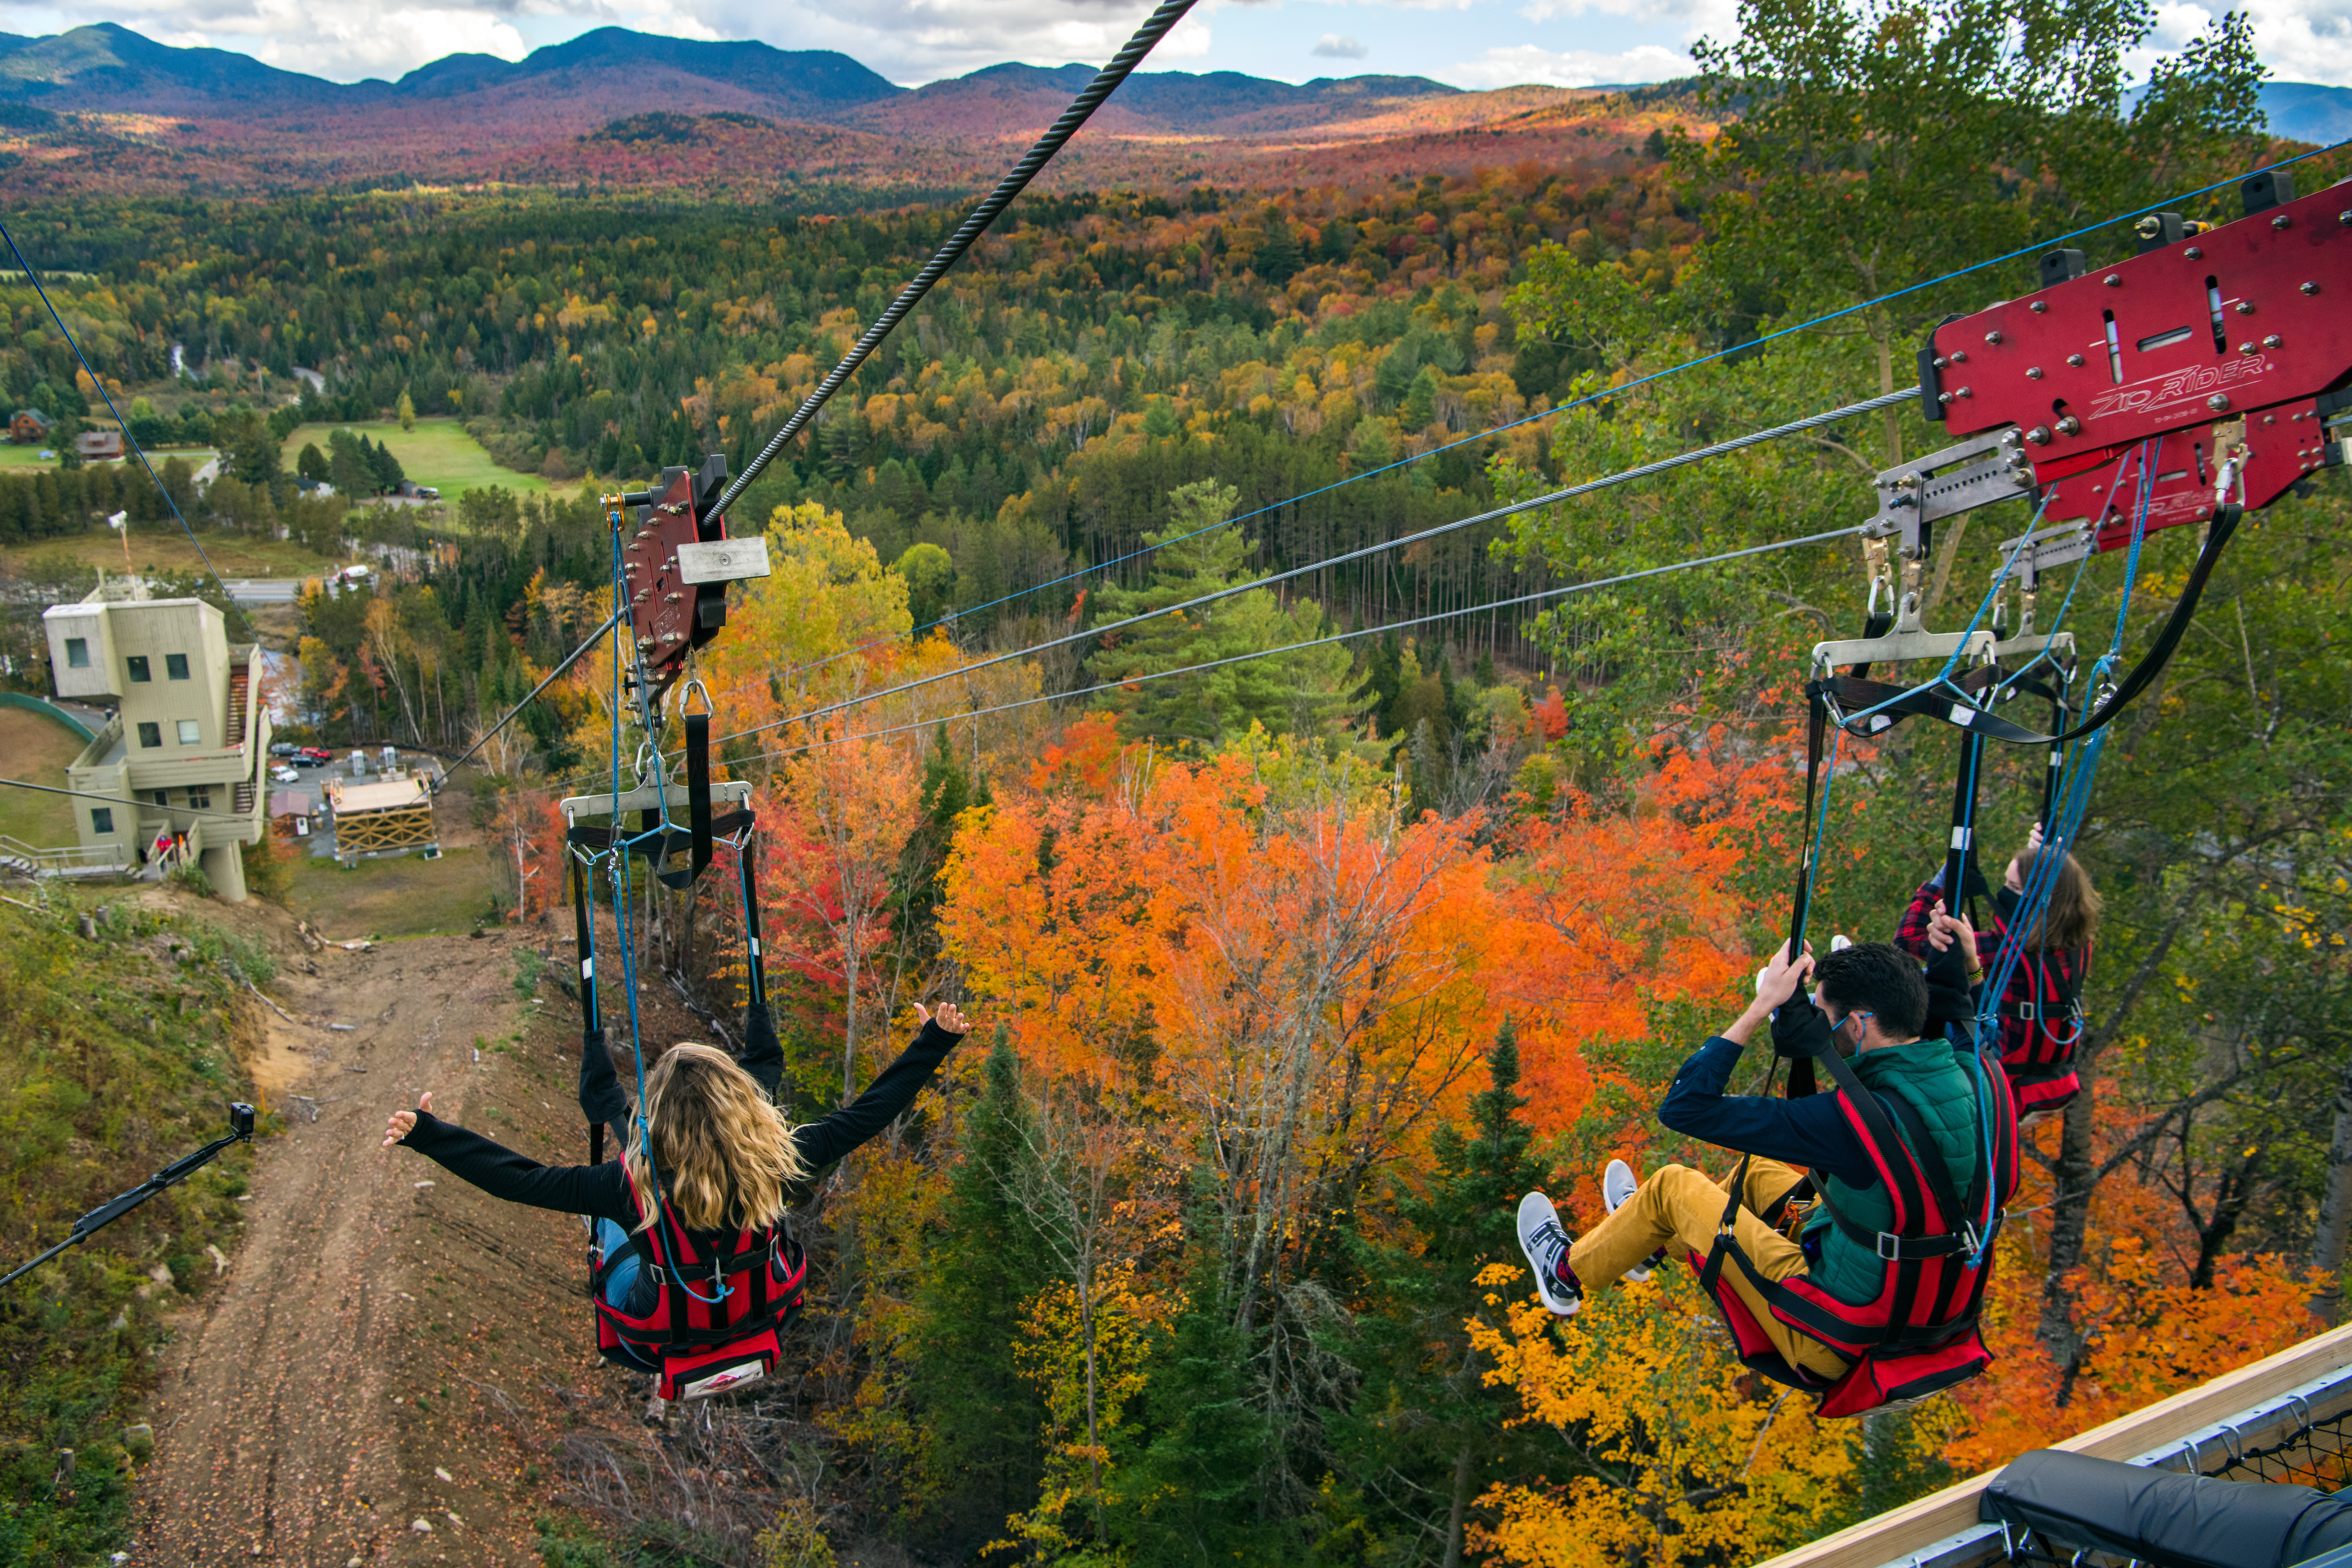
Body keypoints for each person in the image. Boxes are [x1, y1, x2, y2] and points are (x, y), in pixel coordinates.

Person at [381, 1001, 970, 1374]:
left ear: (657, 1116)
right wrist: (933, 1043)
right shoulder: (782, 1160)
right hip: (765, 1315)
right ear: (743, 1106)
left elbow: (521, 1179)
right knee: (632, 1192)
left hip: (655, 1341)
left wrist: (433, 1135)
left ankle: (628, 1130)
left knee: (614, 1211)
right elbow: (869, 1113)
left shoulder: (626, 1186)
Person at [1514, 934, 1988, 1392]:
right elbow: (1973, 1023)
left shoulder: (1850, 1123)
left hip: (1838, 1335)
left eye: (1824, 1018)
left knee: (1671, 1188)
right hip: (1917, 1302)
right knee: (1756, 1172)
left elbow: (1684, 1108)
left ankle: (1565, 1273)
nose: (1819, 1028)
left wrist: (1762, 1006)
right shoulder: (1977, 1080)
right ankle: (1646, 1243)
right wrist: (1968, 966)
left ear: (1859, 1026)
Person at [1897, 823, 2100, 1120]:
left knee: (1925, 999)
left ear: (2043, 899)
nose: (2004, 893)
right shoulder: (2081, 944)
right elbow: (2056, 891)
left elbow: (1908, 938)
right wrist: (2041, 854)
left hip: (2000, 1078)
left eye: (2015, 888)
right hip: (2047, 1076)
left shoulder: (2003, 949)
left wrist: (1947, 876)